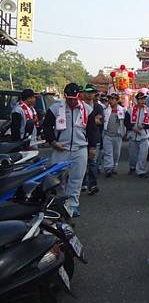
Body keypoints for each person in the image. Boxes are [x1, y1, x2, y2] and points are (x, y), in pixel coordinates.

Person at [43, 83, 96, 217]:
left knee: (76, 179)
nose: (71, 101)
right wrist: (53, 142)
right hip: (61, 148)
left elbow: (91, 131)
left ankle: (72, 205)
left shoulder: (87, 110)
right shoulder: (55, 108)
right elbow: (47, 128)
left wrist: (92, 148)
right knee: (57, 178)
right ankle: (60, 203)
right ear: (65, 96)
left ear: (79, 96)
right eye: (69, 98)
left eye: (74, 98)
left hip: (80, 149)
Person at [81, 83, 104, 195]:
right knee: (82, 162)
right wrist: (92, 120)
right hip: (81, 138)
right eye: (87, 92)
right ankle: (83, 183)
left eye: (92, 93)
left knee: (92, 162)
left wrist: (89, 121)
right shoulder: (80, 106)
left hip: (95, 138)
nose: (89, 95)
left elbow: (99, 122)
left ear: (95, 94)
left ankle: (93, 185)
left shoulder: (98, 107)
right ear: (83, 93)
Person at [126, 91, 149, 178]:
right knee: (132, 154)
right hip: (133, 135)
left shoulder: (148, 110)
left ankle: (141, 171)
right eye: (140, 99)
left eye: (144, 99)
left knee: (143, 155)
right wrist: (133, 128)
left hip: (144, 136)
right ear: (137, 100)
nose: (142, 100)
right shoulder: (130, 110)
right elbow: (126, 122)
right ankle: (132, 167)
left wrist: (143, 126)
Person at [102, 93, 126, 177]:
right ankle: (108, 169)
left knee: (116, 153)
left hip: (117, 135)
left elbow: (125, 123)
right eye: (110, 99)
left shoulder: (122, 110)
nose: (110, 101)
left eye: (113, 99)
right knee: (108, 153)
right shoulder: (105, 110)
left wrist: (124, 133)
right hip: (107, 134)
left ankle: (114, 166)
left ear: (117, 100)